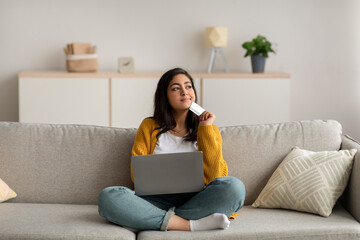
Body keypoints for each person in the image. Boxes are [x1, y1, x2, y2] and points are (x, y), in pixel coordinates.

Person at [98, 67, 245, 231]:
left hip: (196, 199)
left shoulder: (209, 129)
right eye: (176, 88)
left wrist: (205, 129)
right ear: (165, 96)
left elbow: (216, 177)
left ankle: (152, 218)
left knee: (235, 187)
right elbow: (136, 176)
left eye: (188, 86)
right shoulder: (149, 126)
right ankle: (189, 224)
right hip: (153, 200)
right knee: (108, 196)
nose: (184, 92)